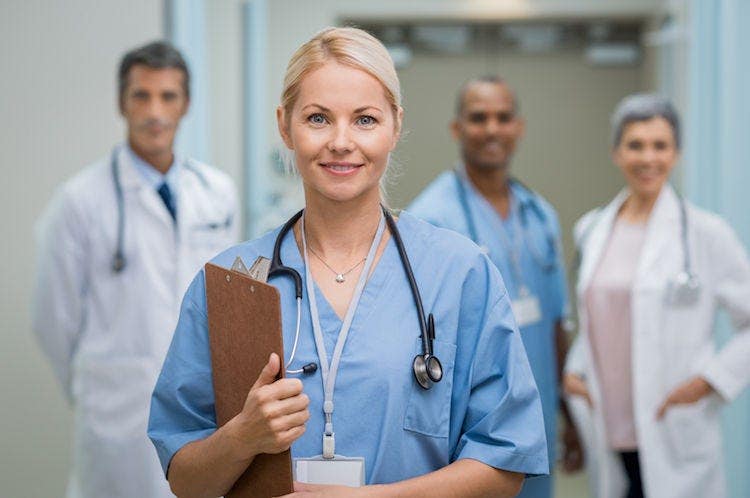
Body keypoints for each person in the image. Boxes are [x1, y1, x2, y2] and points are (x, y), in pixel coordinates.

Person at [148, 27, 547, 498]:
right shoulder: (230, 282)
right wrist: (242, 437)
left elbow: (504, 466)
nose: (340, 142)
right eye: (317, 118)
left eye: (365, 120)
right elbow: (185, 480)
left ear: (395, 125)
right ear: (284, 125)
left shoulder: (461, 273)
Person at [31, 41, 239, 498]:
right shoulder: (80, 201)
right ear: (121, 103)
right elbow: (53, 319)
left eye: (168, 96)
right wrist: (99, 381)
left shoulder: (217, 193)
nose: (155, 112)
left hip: (202, 406)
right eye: (141, 96)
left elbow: (228, 303)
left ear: (186, 104)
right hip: (117, 413)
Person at [563, 94, 750, 498]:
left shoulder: (706, 233)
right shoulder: (592, 229)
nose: (648, 158)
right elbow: (602, 316)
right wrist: (575, 372)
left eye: (659, 146)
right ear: (616, 152)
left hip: (672, 424)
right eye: (635, 145)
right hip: (608, 423)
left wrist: (708, 382)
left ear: (676, 153)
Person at [408, 76, 582, 498]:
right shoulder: (430, 219)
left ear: (518, 127)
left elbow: (555, 323)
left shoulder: (539, 214)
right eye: (478, 118)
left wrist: (569, 414)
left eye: (503, 118)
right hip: (468, 432)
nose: (492, 129)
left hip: (534, 419)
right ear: (457, 128)